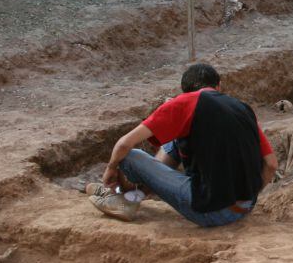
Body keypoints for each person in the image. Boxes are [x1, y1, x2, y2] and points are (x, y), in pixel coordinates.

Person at [89, 63, 278, 225]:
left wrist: (111, 168)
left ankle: (120, 196)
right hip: (244, 208)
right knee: (176, 139)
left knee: (130, 156)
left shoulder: (185, 102)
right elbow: (271, 164)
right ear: (219, 86)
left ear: (184, 91)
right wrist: (246, 199)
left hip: (210, 211)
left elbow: (124, 144)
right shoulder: (243, 108)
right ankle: (133, 196)